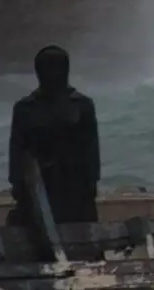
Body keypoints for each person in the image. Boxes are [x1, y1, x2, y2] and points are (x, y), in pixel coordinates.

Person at [7, 45, 100, 225]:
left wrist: (91, 185)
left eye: (57, 68)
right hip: (38, 187)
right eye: (47, 68)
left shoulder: (81, 105)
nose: (53, 73)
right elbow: (17, 150)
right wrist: (18, 185)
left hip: (75, 188)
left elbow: (91, 152)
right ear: (38, 72)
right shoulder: (25, 108)